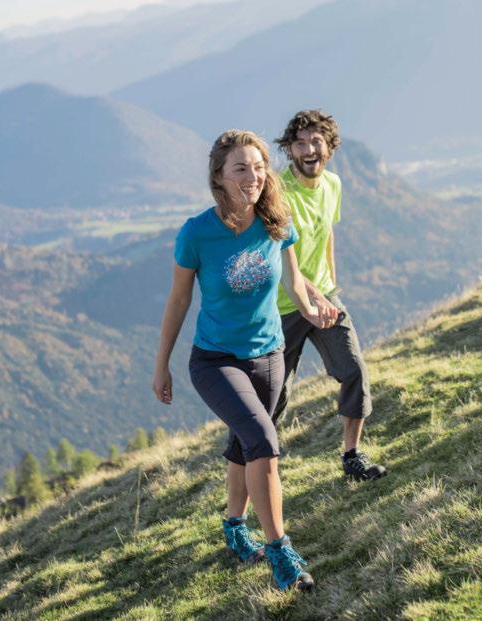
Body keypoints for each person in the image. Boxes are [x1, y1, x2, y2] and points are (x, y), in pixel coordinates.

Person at [153, 129, 335, 592]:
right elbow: (177, 302)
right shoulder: (197, 234)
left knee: (244, 446)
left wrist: (314, 310)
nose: (253, 176)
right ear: (219, 176)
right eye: (240, 168)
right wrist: (162, 364)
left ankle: (235, 527)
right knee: (264, 445)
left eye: (258, 167)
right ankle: (282, 556)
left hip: (270, 354)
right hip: (216, 361)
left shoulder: (276, 219)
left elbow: (294, 283)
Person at [223, 110, 387, 507]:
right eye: (300, 143)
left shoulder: (332, 184)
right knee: (269, 401)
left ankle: (351, 456)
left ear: (330, 146)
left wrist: (329, 286)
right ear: (289, 150)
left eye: (317, 141)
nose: (309, 149)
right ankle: (244, 488)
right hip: (280, 309)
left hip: (325, 297)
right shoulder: (277, 192)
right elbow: (280, 254)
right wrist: (310, 295)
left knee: (354, 371)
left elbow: (326, 232)